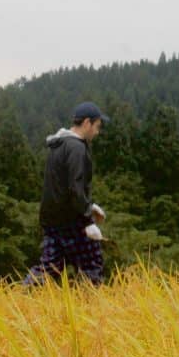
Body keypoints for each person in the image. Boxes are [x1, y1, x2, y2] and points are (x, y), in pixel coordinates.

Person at [23, 101, 110, 286]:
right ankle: (93, 310)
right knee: (91, 266)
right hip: (72, 221)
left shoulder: (59, 144)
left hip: (52, 221)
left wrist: (90, 205)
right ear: (87, 123)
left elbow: (60, 186)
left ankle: (19, 300)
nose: (97, 132)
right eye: (97, 127)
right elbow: (75, 188)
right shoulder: (77, 148)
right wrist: (87, 219)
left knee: (48, 268)